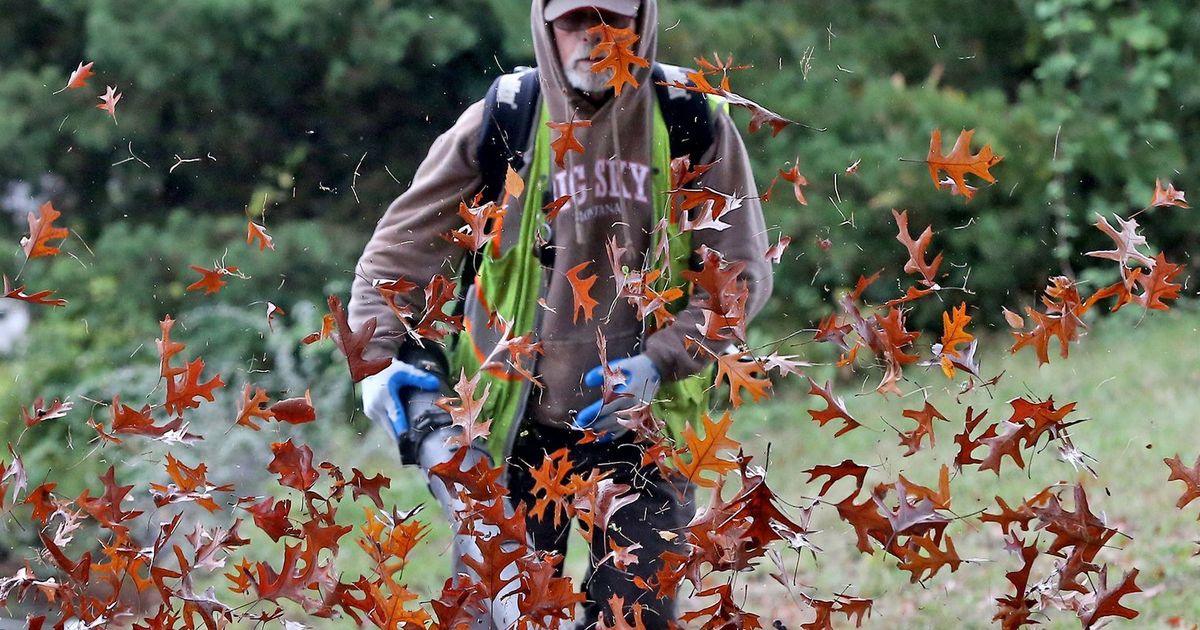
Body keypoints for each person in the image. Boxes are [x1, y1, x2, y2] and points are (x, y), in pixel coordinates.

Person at [349, 0, 772, 627]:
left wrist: (660, 362)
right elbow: (395, 256)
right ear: (545, 27)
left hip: (643, 433)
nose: (594, 37)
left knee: (635, 618)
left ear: (643, 22)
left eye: (613, 19)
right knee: (503, 614)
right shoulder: (506, 117)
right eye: (574, 20)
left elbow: (738, 278)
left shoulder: (688, 117)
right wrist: (379, 359)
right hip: (512, 427)